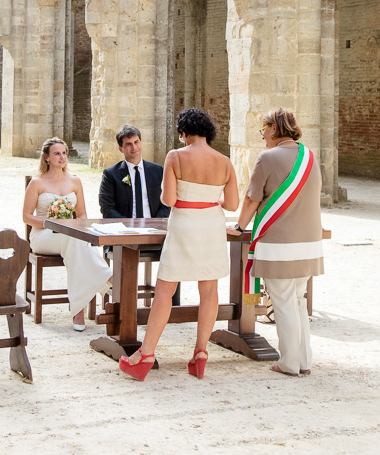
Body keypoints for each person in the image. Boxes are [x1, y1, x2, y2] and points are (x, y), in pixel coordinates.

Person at [118, 108, 238, 381]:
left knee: (164, 290)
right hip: (212, 226)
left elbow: (169, 199)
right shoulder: (225, 161)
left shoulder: (175, 156)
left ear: (184, 133)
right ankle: (200, 352)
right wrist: (209, 200)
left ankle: (146, 354)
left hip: (184, 224)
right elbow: (232, 204)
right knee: (209, 290)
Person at [234, 107, 324, 377]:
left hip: (279, 245)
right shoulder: (310, 156)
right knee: (298, 300)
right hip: (309, 242)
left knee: (283, 302)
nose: (263, 137)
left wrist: (239, 226)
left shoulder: (267, 158)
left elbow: (251, 199)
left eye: (263, 130)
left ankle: (288, 363)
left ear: (274, 128)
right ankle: (304, 360)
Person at [23, 137, 112, 331]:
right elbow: (27, 217)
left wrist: (74, 225)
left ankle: (77, 308)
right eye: (57, 153)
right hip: (42, 236)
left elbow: (81, 215)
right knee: (75, 242)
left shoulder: (75, 181)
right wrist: (49, 222)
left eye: (64, 153)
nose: (62, 157)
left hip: (69, 237)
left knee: (75, 243)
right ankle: (106, 276)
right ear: (47, 158)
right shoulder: (37, 182)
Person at [99, 124, 180, 305]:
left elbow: (167, 203)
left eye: (136, 142)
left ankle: (171, 304)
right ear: (121, 148)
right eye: (128, 144)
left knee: (176, 246)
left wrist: (154, 224)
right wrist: (132, 227)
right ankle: (125, 306)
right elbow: (107, 209)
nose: (134, 147)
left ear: (141, 143)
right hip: (124, 234)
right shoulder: (111, 174)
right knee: (127, 248)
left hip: (155, 231)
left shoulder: (158, 171)